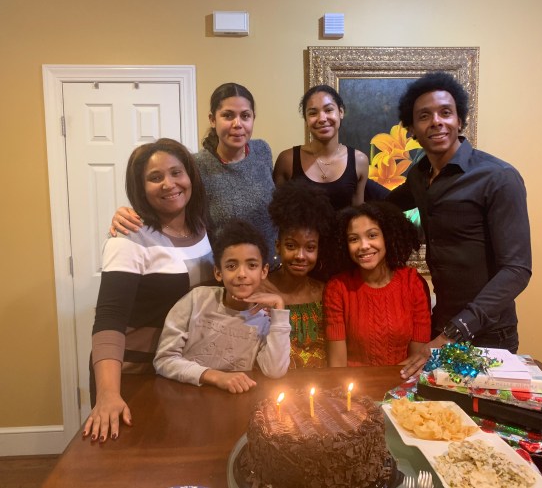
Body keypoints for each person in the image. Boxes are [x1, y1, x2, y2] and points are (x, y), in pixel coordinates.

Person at [386, 72, 532, 378]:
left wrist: (453, 333)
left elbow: (517, 270)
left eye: (445, 112)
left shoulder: (498, 177)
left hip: (488, 335)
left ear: (460, 120)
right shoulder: (419, 177)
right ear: (411, 129)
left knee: (482, 411)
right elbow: (384, 204)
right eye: (424, 116)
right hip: (440, 324)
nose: (436, 122)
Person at [84, 139, 214, 442]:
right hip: (134, 375)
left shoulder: (202, 228)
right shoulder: (128, 238)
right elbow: (109, 318)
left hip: (182, 368)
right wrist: (108, 394)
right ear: (141, 188)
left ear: (190, 176)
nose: (169, 184)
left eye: (176, 172)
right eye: (155, 177)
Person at [110, 82, 278, 265]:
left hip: (272, 267)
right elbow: (168, 200)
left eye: (245, 116)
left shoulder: (262, 150)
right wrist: (128, 213)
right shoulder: (196, 165)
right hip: (229, 272)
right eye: (228, 115)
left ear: (253, 118)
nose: (237, 124)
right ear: (212, 120)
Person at [153, 220, 291, 392]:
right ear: (218, 272)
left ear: (263, 271)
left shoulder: (267, 319)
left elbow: (275, 372)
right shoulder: (197, 300)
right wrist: (215, 376)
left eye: (252, 265)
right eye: (231, 266)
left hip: (234, 400)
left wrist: (279, 309)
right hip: (185, 396)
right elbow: (164, 359)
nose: (242, 274)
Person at [324, 201, 432, 368]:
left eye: (372, 235)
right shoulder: (337, 288)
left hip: (403, 381)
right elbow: (337, 365)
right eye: (354, 239)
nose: (364, 246)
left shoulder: (413, 283)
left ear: (387, 237)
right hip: (352, 383)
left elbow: (416, 362)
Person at [262, 179, 336, 368]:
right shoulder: (260, 291)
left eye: (310, 247)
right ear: (278, 246)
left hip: (322, 384)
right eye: (291, 246)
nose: (300, 256)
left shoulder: (325, 293)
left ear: (318, 249)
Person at [273, 85, 369, 210]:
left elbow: (358, 214)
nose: (322, 119)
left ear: (341, 112)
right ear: (306, 119)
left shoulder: (359, 161)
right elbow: (278, 213)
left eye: (328, 110)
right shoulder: (287, 160)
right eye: (313, 113)